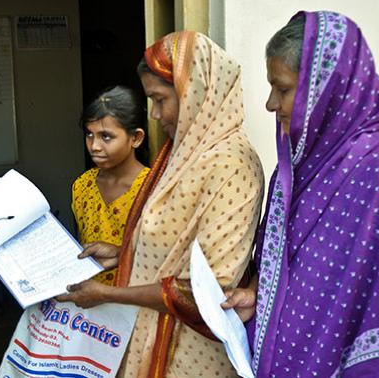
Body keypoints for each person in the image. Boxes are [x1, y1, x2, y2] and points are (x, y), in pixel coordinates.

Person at [57, 31, 264, 377]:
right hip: (151, 337)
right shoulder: (183, 155)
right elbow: (174, 245)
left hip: (190, 354)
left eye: (160, 99)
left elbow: (208, 287)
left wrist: (108, 294)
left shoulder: (232, 165)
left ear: (195, 93)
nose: (154, 115)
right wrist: (125, 250)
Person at [244, 11, 379, 377]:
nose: (270, 104)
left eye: (282, 89)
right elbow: (285, 273)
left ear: (327, 90)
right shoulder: (300, 171)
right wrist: (255, 292)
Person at [72, 86, 149, 286]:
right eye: (89, 135)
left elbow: (165, 257)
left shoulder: (153, 187)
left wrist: (120, 253)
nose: (94, 146)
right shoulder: (82, 186)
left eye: (106, 136)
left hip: (136, 301)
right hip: (90, 304)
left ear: (136, 138)